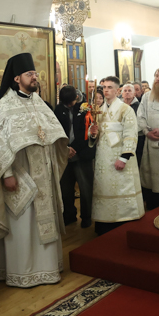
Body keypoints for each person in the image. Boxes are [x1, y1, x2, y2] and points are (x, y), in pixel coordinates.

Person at [0, 53, 69, 288]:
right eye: (29, 74)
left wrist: (60, 148)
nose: (34, 77)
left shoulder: (37, 101)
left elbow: (49, 133)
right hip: (21, 172)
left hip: (43, 171)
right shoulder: (6, 105)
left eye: (35, 74)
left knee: (43, 219)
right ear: (16, 78)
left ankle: (47, 267)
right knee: (23, 223)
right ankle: (22, 271)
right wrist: (7, 174)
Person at [91, 76, 144, 234]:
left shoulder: (125, 109)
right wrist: (92, 134)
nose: (106, 90)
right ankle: (104, 223)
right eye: (104, 87)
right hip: (103, 158)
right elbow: (96, 134)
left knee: (122, 188)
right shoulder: (100, 110)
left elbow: (131, 134)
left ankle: (124, 222)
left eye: (109, 87)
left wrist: (124, 157)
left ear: (117, 90)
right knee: (104, 188)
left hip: (119, 156)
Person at [55, 85, 95, 229]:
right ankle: (69, 215)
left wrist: (74, 148)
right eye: (66, 104)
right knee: (65, 188)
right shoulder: (58, 110)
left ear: (76, 98)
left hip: (82, 153)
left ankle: (86, 216)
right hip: (65, 154)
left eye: (71, 103)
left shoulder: (85, 109)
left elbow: (87, 131)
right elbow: (56, 130)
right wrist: (66, 148)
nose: (69, 106)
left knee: (85, 188)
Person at [137, 67, 159, 210]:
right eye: (156, 76)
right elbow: (140, 116)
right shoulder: (146, 97)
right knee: (150, 176)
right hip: (150, 141)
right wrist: (146, 131)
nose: (158, 79)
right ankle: (152, 205)